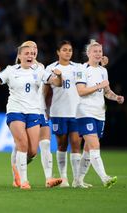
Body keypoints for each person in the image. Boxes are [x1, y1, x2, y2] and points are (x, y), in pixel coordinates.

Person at [0, 42, 62, 189]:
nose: (30, 55)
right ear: (19, 56)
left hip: (33, 112)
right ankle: (24, 181)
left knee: (32, 151)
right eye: (27, 53)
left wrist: (60, 76)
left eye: (32, 54)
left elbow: (57, 83)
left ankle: (17, 168)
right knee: (22, 144)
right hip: (15, 111)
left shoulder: (39, 70)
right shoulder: (11, 70)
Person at [10, 41, 62, 188]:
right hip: (24, 110)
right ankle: (17, 176)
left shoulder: (40, 68)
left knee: (45, 144)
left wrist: (45, 107)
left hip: (40, 110)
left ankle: (49, 178)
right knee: (22, 147)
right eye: (30, 48)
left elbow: (45, 90)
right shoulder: (19, 69)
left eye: (35, 48)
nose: (33, 50)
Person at [75, 39, 124, 188]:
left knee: (88, 149)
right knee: (95, 145)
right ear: (88, 53)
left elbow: (106, 91)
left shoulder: (103, 71)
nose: (98, 54)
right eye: (95, 51)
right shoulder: (81, 70)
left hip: (99, 113)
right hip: (85, 112)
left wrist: (116, 97)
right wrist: (99, 86)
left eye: (100, 51)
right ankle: (105, 178)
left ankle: (78, 181)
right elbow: (81, 91)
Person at [46, 40, 88, 188]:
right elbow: (46, 90)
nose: (68, 52)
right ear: (58, 52)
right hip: (58, 111)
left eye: (70, 50)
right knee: (62, 144)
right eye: (64, 50)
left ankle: (77, 180)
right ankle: (63, 178)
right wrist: (44, 109)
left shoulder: (78, 67)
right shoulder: (51, 68)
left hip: (77, 112)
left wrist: (102, 61)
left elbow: (92, 67)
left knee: (76, 144)